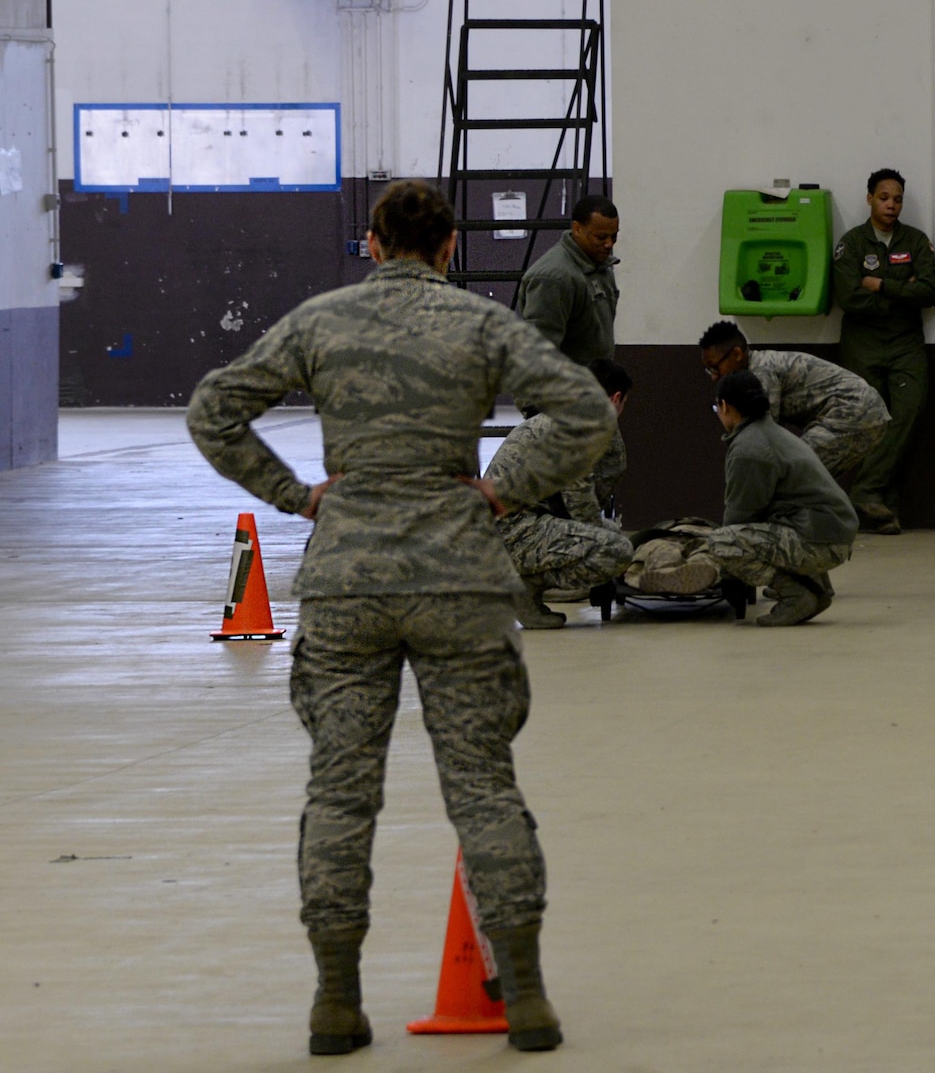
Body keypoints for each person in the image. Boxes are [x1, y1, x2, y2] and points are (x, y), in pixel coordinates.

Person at [185, 180, 614, 1055]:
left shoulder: (321, 322)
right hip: (458, 578)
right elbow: (583, 408)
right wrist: (500, 489)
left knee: (340, 794)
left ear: (373, 245)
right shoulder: (481, 325)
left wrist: (298, 497)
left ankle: (336, 1001)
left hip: (348, 583)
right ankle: (525, 997)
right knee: (484, 787)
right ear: (450, 247)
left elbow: (213, 411)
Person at [650, 371, 858, 626]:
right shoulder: (770, 432)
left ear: (725, 406)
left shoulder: (750, 447)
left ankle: (797, 595)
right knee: (757, 532)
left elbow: (739, 518)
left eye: (716, 406)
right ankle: (816, 589)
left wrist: (721, 570)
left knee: (723, 543)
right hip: (830, 533)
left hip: (823, 540)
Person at [832, 168, 935, 534]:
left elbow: (930, 293)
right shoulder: (852, 243)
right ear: (869, 198)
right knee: (875, 422)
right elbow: (849, 298)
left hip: (905, 344)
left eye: (897, 199)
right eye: (884, 197)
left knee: (908, 412)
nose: (891, 205)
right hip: (862, 344)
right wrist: (900, 292)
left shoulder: (915, 240)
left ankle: (865, 489)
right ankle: (885, 508)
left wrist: (879, 285)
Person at [487, 357, 636, 629]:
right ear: (616, 399)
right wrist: (606, 545)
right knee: (617, 550)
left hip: (513, 525)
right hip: (512, 531)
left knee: (610, 538)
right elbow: (580, 506)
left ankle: (526, 583)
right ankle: (525, 585)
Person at [697, 321, 890, 477]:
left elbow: (763, 432)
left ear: (737, 354)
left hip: (855, 409)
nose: (714, 376)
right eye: (709, 370)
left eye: (715, 367)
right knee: (806, 476)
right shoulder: (754, 370)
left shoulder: (761, 372)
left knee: (794, 471)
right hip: (860, 412)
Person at [520, 194, 620, 364]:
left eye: (614, 236)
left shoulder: (600, 266)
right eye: (601, 237)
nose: (609, 244)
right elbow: (538, 355)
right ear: (577, 229)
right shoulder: (553, 278)